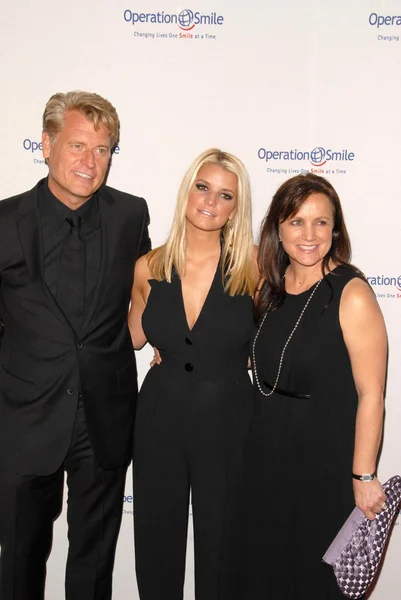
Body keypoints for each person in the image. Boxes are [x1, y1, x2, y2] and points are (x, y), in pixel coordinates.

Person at [0, 91, 151, 600]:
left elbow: (148, 288)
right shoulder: (4, 221)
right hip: (24, 419)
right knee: (19, 563)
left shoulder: (131, 215)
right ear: (46, 145)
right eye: (78, 145)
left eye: (103, 150)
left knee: (93, 565)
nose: (90, 162)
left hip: (103, 419)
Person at [233, 173, 387, 600]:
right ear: (277, 229)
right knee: (261, 571)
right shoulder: (270, 287)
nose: (309, 234)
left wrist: (363, 474)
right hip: (262, 453)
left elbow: (372, 392)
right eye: (297, 222)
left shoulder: (350, 293)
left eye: (321, 223)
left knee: (309, 579)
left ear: (335, 229)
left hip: (321, 463)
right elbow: (251, 354)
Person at [128, 148, 256, 600]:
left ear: (236, 209)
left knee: (222, 545)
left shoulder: (255, 267)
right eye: (202, 187)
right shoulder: (148, 266)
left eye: (225, 195)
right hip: (160, 416)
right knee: (156, 538)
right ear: (187, 191)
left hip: (230, 418)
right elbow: (130, 338)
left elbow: (281, 341)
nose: (210, 201)